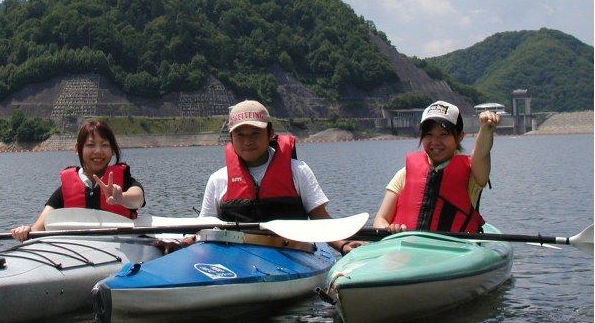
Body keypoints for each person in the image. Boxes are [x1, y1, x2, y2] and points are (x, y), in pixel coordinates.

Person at [189, 100, 362, 256]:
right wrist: (182, 243)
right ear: (231, 138)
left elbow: (320, 218)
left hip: (293, 252)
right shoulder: (218, 180)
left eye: (255, 133)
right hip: (238, 257)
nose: (247, 141)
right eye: (240, 134)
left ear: (270, 133)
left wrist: (343, 245)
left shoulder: (298, 171)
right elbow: (203, 228)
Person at [373, 100, 499, 234]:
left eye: (443, 134)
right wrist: (389, 229)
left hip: (456, 250)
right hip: (406, 249)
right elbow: (381, 219)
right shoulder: (404, 174)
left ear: (460, 136)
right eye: (429, 135)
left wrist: (486, 129)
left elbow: (481, 153)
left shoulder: (472, 173)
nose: (435, 142)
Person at [10, 119, 145, 241]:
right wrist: (27, 231)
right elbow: (39, 227)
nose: (98, 151)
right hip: (80, 252)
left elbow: (138, 199)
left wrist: (121, 197)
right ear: (77, 149)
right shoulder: (66, 189)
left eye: (104, 145)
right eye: (90, 145)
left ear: (112, 150)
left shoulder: (124, 181)